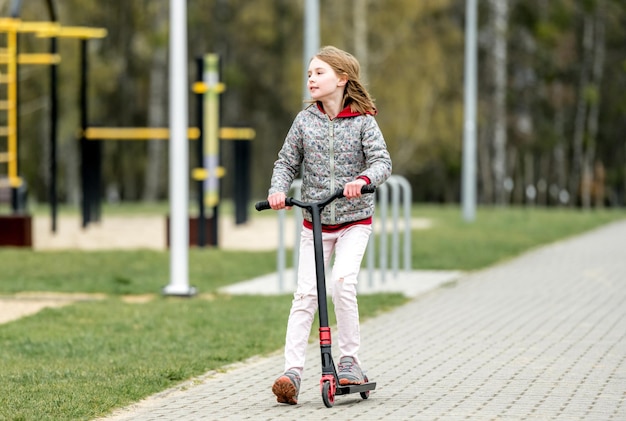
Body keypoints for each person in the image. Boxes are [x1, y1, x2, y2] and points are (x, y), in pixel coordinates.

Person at [267, 45, 392, 405]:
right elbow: (286, 162)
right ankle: (291, 373)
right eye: (309, 73)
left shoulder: (364, 120)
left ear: (342, 78)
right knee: (306, 294)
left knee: (341, 283)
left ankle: (349, 360)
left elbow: (382, 161)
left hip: (354, 220)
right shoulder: (305, 120)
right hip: (315, 221)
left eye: (319, 73)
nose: (311, 79)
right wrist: (277, 190)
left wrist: (364, 179)